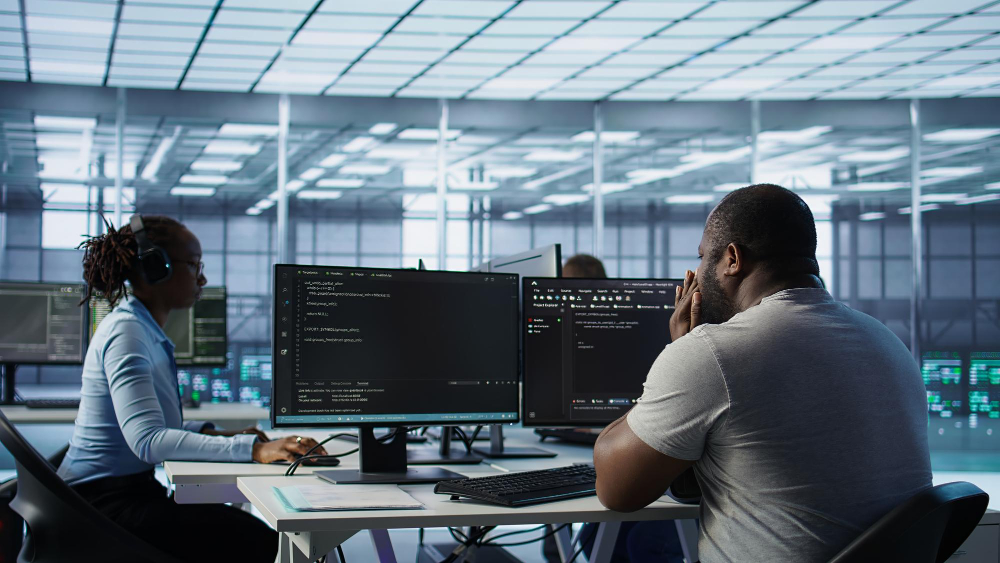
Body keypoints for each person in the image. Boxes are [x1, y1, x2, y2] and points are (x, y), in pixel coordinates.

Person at [593, 184, 931, 561]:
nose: (696, 275)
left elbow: (617, 491)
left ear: (733, 259)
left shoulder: (713, 352)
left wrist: (677, 351)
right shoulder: (887, 341)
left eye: (704, 258)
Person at [58, 214, 327, 563]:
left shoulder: (140, 328)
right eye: (194, 264)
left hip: (123, 492)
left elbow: (153, 428)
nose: (202, 277)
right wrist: (254, 450)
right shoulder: (127, 334)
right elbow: (148, 441)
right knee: (260, 542)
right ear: (157, 268)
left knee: (253, 535)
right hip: (97, 506)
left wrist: (221, 434)